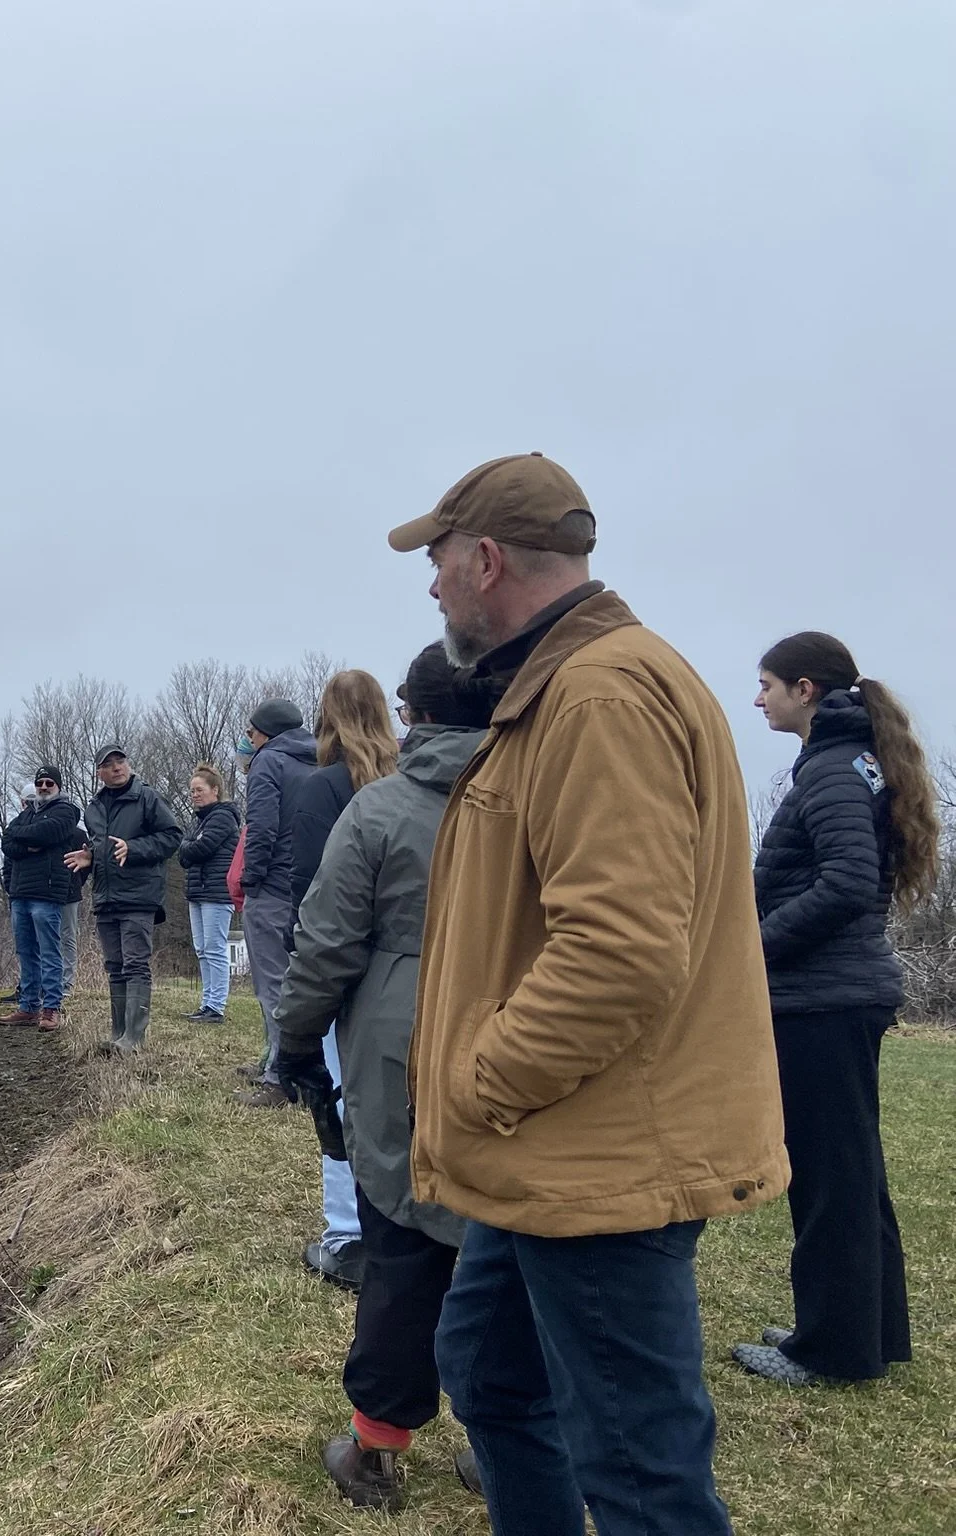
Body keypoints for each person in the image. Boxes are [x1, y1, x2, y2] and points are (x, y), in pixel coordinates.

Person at [394, 453, 787, 1536]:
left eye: (434, 564)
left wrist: (482, 1078)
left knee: (639, 1472)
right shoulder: (561, 685)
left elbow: (616, 951)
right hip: (555, 1148)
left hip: (598, 1154)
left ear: (483, 560)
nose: (428, 589)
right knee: (488, 1371)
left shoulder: (597, 695)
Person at [273, 644, 490, 1509]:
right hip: (525, 1039)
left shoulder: (379, 812)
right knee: (502, 1242)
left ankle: (375, 1450)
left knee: (400, 1238)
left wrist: (294, 1041)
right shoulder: (537, 803)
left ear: (414, 712)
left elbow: (326, 943)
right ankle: (499, 1439)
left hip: (401, 1048)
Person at [732, 633, 940, 1386]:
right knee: (854, 1174)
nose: (759, 699)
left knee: (828, 1179)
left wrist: (751, 948)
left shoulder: (829, 768)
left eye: (767, 685)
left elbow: (849, 881)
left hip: (823, 998)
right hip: (842, 993)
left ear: (806, 689)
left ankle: (831, 1351)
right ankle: (865, 1333)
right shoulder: (856, 759)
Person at [285, 670, 402, 1292]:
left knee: (341, 1098)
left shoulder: (321, 789)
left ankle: (348, 1234)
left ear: (326, 718)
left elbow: (314, 891)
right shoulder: (413, 781)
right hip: (413, 966)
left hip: (349, 967)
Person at [65, 745, 182, 1053]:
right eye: (109, 764)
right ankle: (118, 1034)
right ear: (98, 772)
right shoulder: (93, 808)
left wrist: (135, 848)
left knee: (135, 965)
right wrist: (90, 857)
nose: (117, 767)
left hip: (139, 894)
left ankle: (134, 1038)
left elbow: (172, 836)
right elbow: (103, 846)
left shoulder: (147, 797)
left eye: (121, 761)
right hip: (106, 897)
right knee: (114, 966)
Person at [234, 699, 317, 1107]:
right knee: (301, 982)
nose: (248, 740)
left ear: (266, 732)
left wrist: (251, 879)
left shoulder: (268, 763)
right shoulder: (317, 759)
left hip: (271, 889)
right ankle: (285, 1062)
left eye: (251, 733)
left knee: (273, 985)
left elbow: (262, 828)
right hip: (308, 887)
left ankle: (278, 1078)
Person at [0, 766, 84, 1031]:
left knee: (49, 951)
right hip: (20, 893)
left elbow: (50, 832)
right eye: (40, 783)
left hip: (47, 893)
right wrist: (30, 843)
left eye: (49, 782)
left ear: (57, 786)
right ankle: (28, 1007)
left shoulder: (66, 811)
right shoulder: (26, 815)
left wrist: (28, 839)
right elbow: (7, 841)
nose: (44, 787)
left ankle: (51, 1009)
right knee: (26, 952)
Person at [176, 764, 241, 1022]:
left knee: (214, 949)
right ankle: (207, 1003)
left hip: (216, 893)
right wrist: (189, 846)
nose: (194, 794)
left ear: (215, 790)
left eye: (199, 789)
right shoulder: (199, 820)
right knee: (202, 949)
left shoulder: (223, 817)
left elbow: (199, 849)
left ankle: (217, 1007)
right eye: (191, 790)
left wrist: (188, 846)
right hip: (198, 892)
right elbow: (184, 852)